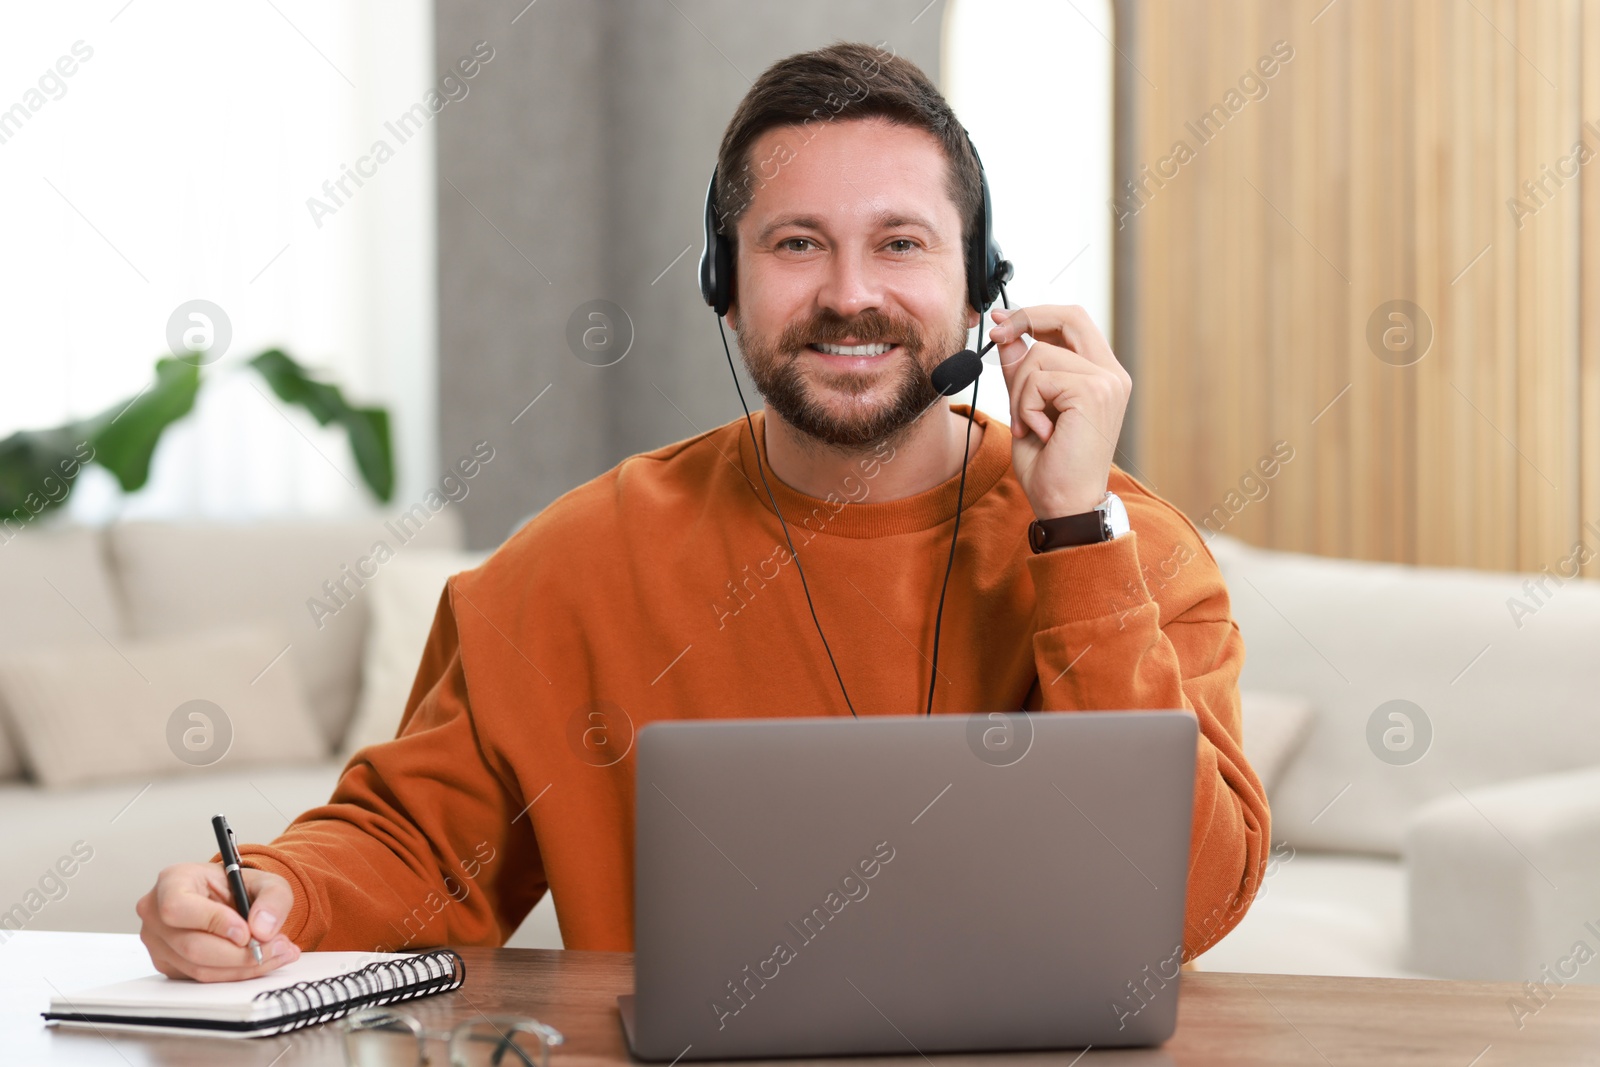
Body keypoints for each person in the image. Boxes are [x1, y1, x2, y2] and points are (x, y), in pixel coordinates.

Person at [137, 41, 1269, 982]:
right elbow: (417, 842)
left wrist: (1072, 533)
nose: (849, 294)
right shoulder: (575, 562)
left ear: (981, 283)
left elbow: (1181, 904)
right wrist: (278, 891)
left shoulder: (1125, 548)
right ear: (723, 291)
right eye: (795, 244)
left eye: (900, 243)